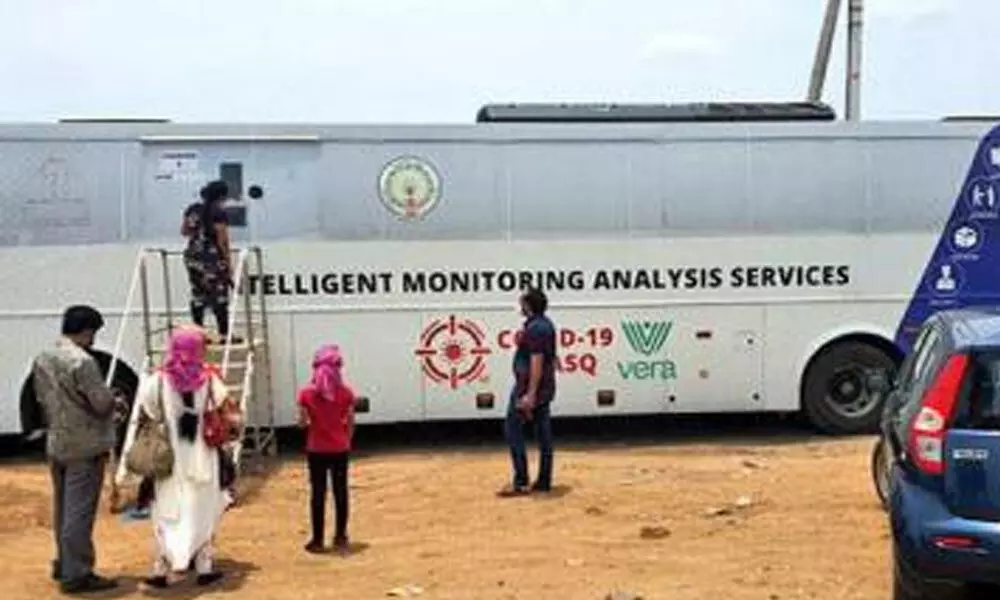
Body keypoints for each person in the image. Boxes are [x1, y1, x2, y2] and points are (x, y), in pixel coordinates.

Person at [132, 326, 242, 590]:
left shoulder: (157, 380)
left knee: (166, 511)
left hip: (168, 458)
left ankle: (162, 566)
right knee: (203, 508)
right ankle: (203, 566)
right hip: (202, 455)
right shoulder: (209, 379)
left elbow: (149, 409)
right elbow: (226, 407)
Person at [32, 305, 120, 594]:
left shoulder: (43, 357)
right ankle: (77, 573)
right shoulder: (83, 363)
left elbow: (40, 398)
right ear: (86, 331)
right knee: (79, 512)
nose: (94, 339)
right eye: (93, 333)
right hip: (86, 444)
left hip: (57, 439)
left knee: (63, 507)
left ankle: (64, 562)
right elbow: (101, 404)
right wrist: (115, 400)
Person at [498, 287, 557, 497]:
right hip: (543, 386)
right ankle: (544, 480)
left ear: (528, 305)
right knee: (543, 433)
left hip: (530, 387)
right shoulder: (545, 324)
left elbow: (537, 361)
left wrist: (530, 393)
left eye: (522, 302)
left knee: (512, 428)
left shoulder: (535, 329)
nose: (520, 306)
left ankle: (521, 481)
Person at [297, 345, 355, 555]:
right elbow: (350, 423)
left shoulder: (306, 393)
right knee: (341, 491)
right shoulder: (347, 393)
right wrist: (345, 440)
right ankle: (340, 535)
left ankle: (318, 539)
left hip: (316, 449)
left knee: (318, 494)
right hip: (340, 448)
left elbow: (302, 423)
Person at [181, 180, 238, 343]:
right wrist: (228, 264)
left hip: (192, 256)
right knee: (219, 296)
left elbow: (184, 231)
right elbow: (222, 241)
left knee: (198, 295)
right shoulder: (218, 212)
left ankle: (198, 334)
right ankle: (224, 335)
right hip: (211, 258)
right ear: (221, 196)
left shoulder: (193, 210)